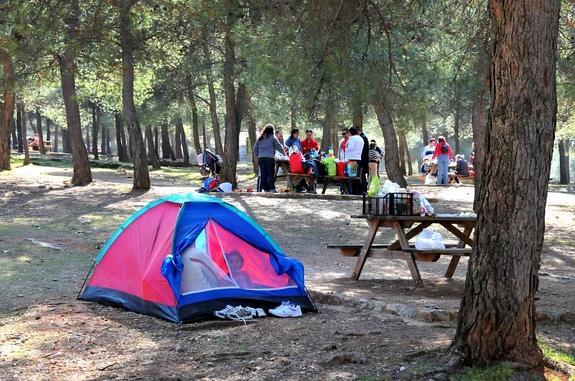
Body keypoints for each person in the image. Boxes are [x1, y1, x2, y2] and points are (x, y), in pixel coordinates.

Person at [253, 124, 284, 192]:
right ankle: (271, 188)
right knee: (270, 173)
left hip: (261, 158)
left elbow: (254, 148)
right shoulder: (273, 138)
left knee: (263, 173)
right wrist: (284, 154)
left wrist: (259, 155)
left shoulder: (260, 138)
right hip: (269, 158)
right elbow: (279, 147)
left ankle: (264, 188)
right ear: (272, 131)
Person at [345, 127, 364, 194]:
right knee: (357, 175)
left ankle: (351, 191)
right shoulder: (361, 138)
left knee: (351, 175)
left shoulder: (352, 138)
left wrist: (346, 147)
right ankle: (357, 191)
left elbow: (350, 147)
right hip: (358, 158)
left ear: (351, 132)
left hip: (352, 158)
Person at [358, 126, 370, 193]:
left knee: (362, 176)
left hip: (363, 161)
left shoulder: (363, 138)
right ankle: (363, 190)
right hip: (364, 161)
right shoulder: (363, 138)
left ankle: (363, 190)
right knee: (362, 176)